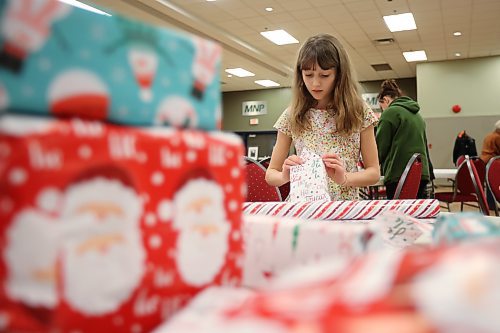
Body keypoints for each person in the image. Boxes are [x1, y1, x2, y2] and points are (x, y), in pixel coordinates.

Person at [265, 34, 380, 201]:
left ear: (339, 75)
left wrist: (345, 178)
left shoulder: (359, 112)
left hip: (343, 209)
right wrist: (285, 175)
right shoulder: (292, 115)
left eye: (324, 75)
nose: (315, 84)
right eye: (308, 75)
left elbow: (374, 173)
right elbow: (270, 174)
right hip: (304, 208)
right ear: (300, 74)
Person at [375, 79, 431, 200]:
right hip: (421, 173)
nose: (383, 110)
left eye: (382, 107)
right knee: (416, 213)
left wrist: (370, 166)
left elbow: (380, 148)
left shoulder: (391, 112)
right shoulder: (418, 115)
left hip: (399, 174)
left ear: (386, 100)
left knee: (398, 215)